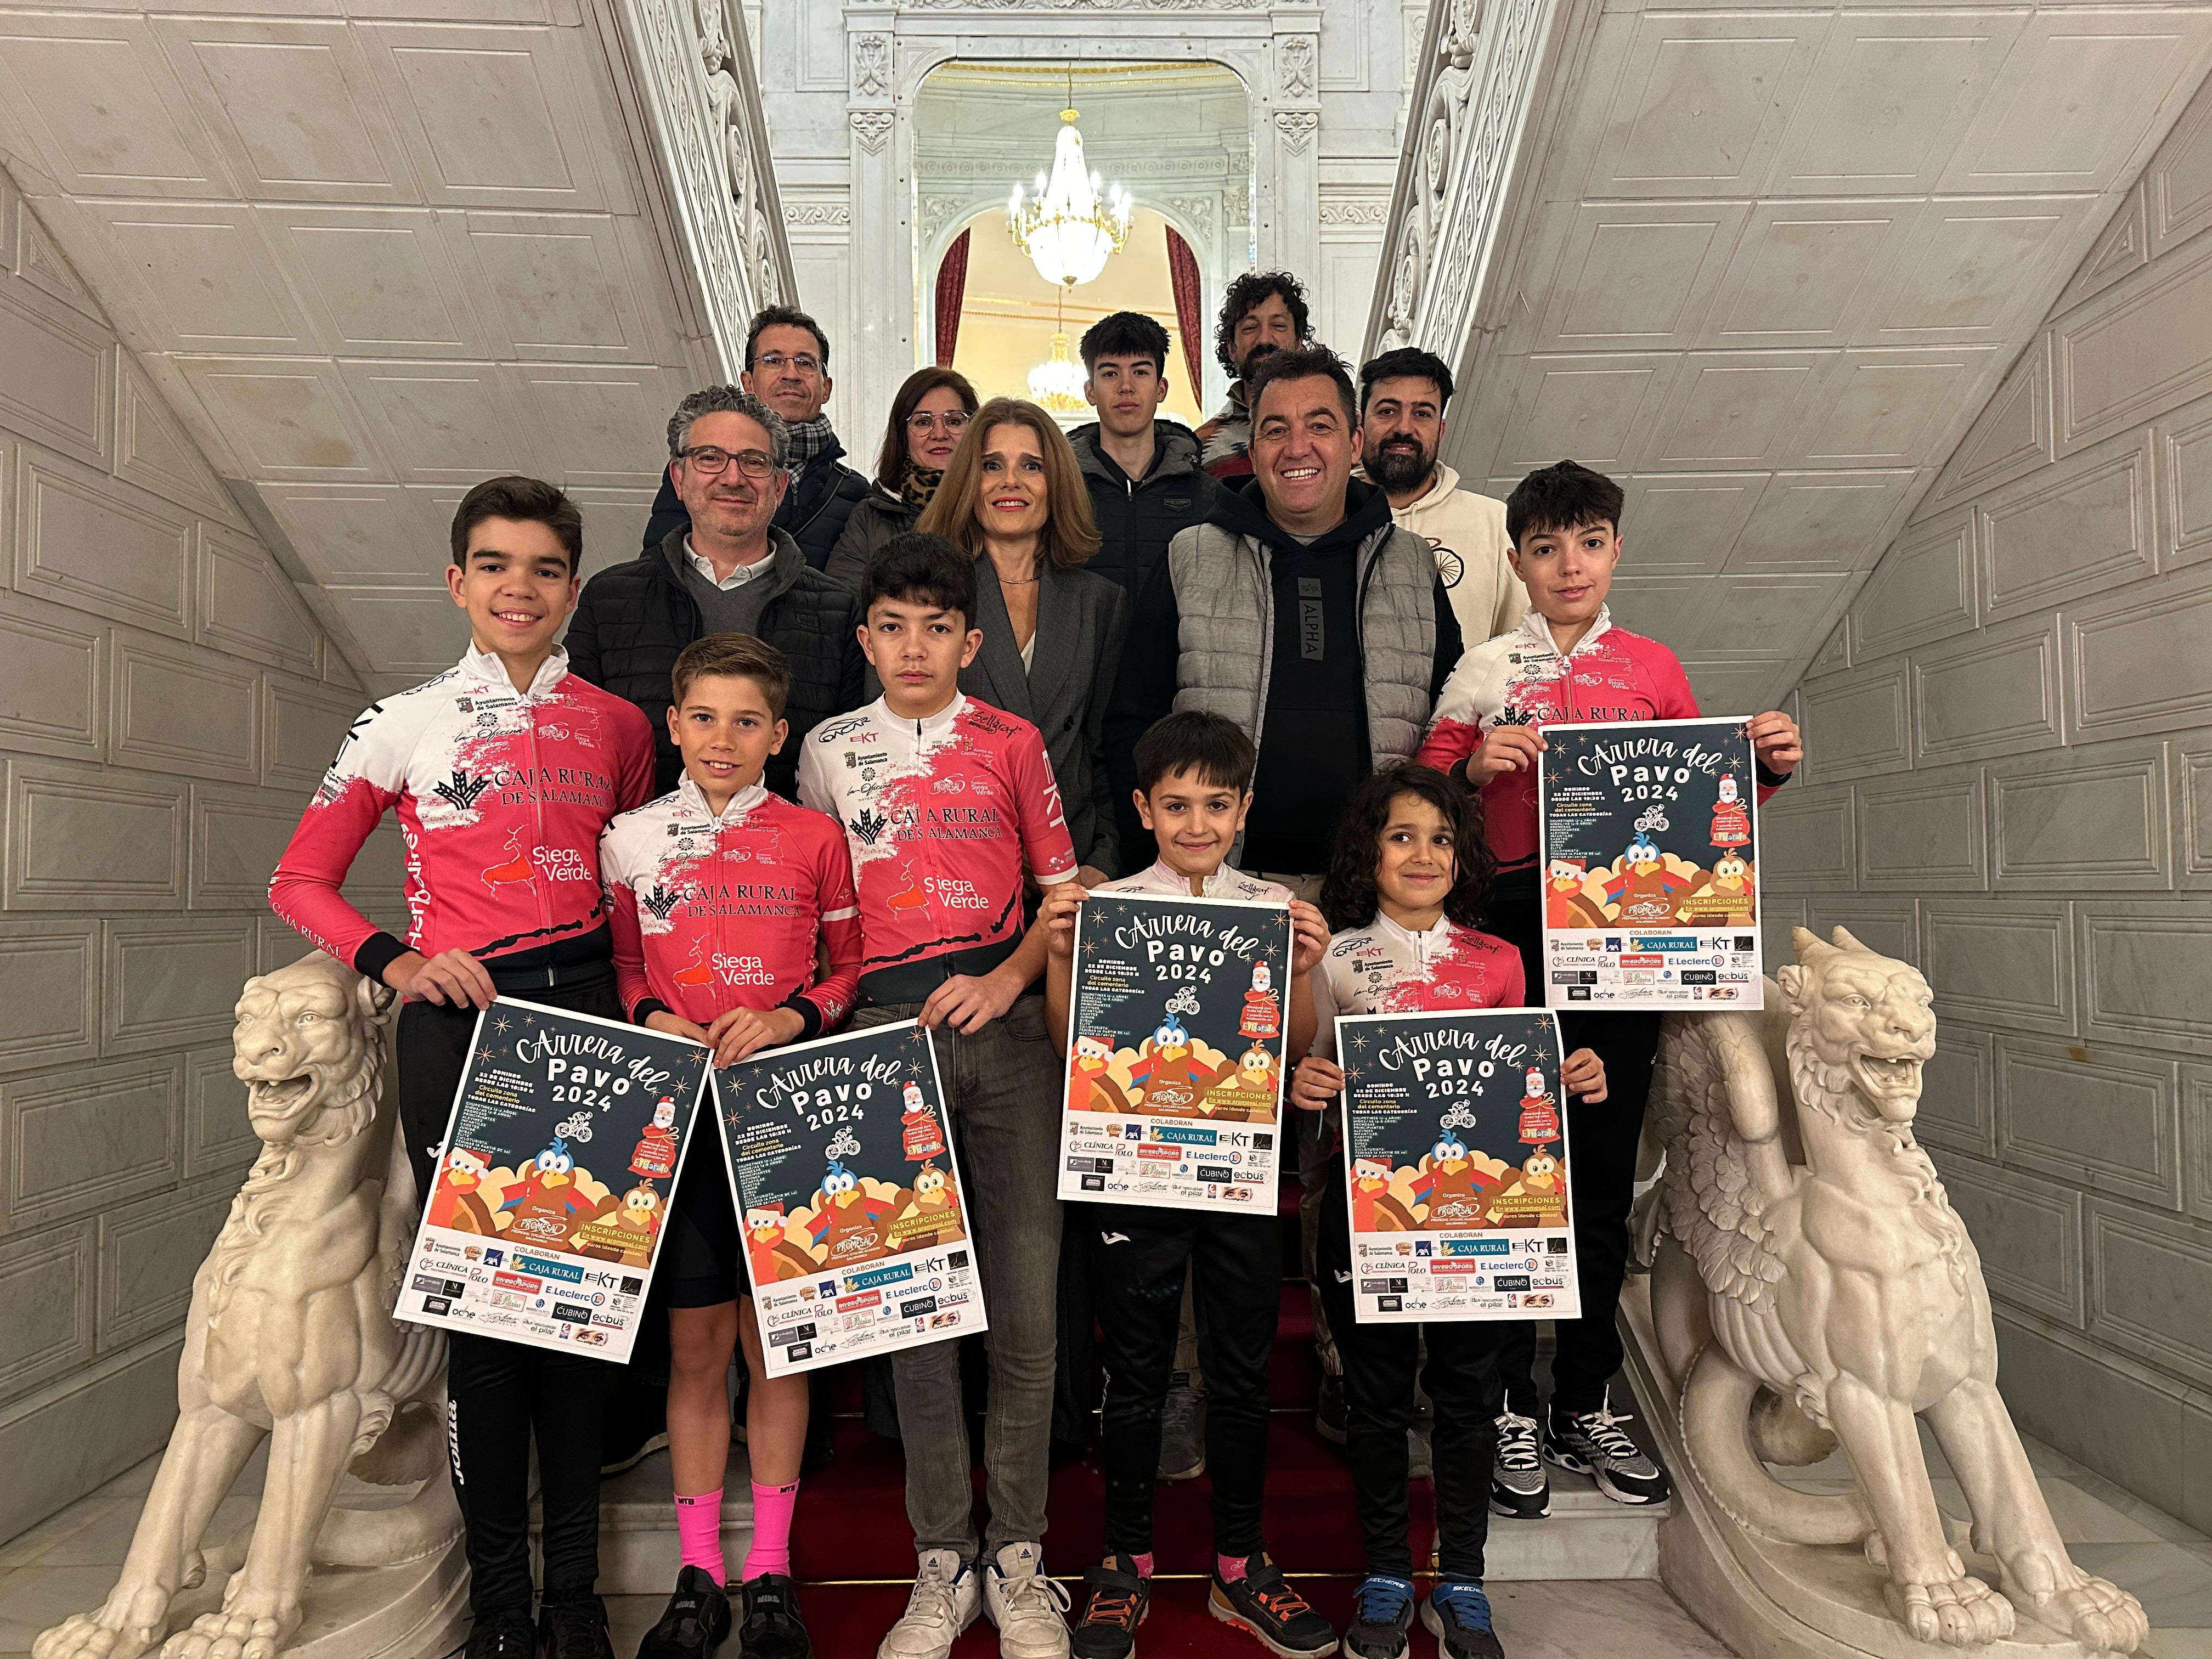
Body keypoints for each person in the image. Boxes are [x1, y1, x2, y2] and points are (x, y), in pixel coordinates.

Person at [268, 477, 656, 1659]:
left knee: (586, 1320)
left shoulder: (624, 726)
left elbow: (640, 890)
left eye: (543, 569)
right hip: (464, 1033)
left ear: (573, 589)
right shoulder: (398, 720)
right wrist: (396, 960)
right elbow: (298, 884)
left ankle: (575, 1603)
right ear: (458, 582)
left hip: (593, 1026)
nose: (519, 589)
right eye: (495, 566)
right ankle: (500, 1611)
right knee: (491, 1334)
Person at [1415, 458, 1803, 1521]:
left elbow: (1697, 793)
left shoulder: (1653, 667)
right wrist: (1471, 766)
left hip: (1623, 947)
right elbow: (1417, 799)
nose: (1568, 563)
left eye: (1588, 542)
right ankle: (1502, 1408)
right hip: (1502, 933)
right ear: (1517, 560)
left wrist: (1762, 763)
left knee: (1593, 1181)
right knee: (1504, 1171)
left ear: (1615, 551)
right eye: (1546, 547)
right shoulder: (1484, 670)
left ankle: (1581, 1399)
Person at [1108, 344, 1465, 1428]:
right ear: (1246, 444)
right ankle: (1178, 1386)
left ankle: (1360, 1375)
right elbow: (1131, 723)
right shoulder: (1187, 558)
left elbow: (1446, 725)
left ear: (1355, 441)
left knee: (1363, 1142)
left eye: (1320, 425)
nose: (1297, 447)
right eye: (1274, 427)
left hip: (1367, 906)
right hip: (1222, 898)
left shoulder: (1411, 565)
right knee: (1193, 1143)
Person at [797, 535, 1080, 1659]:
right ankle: (941, 1560)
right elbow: (820, 916)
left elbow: (1064, 899)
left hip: (1007, 1031)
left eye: (938, 628)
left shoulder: (1013, 742)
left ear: (970, 640)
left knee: (1026, 1305)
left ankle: (1019, 1554)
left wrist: (1004, 979)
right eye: (893, 628)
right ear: (865, 640)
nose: (916, 648)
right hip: (875, 1038)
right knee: (914, 1313)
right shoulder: (825, 751)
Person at [1284, 766, 1609, 1659]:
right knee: (1378, 1400)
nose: (1421, 852)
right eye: (1400, 834)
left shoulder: (1499, 960)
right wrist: (1305, 1083)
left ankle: (1461, 1576)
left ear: (1462, 855)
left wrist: (1572, 1072)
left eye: (1440, 837)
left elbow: (1526, 1081)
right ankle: (1388, 1571)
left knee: (1469, 1399)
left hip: (1481, 1223)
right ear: (1368, 851)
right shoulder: (1340, 958)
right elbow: (1305, 1071)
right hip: (1370, 1216)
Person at [1040, 711, 1338, 1659]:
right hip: (1133, 1173)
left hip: (1240, 1175)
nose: (1197, 821)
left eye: (1216, 803)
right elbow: (1065, 1045)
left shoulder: (1272, 908)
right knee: (1135, 1373)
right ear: (1143, 807)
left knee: (1241, 1374)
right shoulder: (1110, 905)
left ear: (1244, 806)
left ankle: (1240, 1562)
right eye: (1176, 804)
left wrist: (1313, 971)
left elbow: (1295, 1049)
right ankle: (1124, 1559)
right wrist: (1056, 955)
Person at [601, 635, 863, 1659]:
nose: (723, 737)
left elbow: (852, 968)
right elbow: (624, 966)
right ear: (672, 725)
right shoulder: (628, 837)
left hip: (787, 1113)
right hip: (683, 1120)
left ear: (779, 735)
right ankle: (699, 1569)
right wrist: (654, 1013)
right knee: (698, 1349)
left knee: (777, 1341)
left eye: (746, 720)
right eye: (703, 717)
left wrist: (795, 1015)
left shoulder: (813, 837)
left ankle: (771, 1574)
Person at [568, 386, 862, 800]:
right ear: (678, 478)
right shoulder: (609, 600)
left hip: (786, 854)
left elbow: (850, 763)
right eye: (710, 458)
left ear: (779, 487)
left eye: (754, 462)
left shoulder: (839, 612)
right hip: (635, 856)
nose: (733, 477)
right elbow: (576, 748)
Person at [916, 396, 1127, 885]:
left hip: (1074, 875)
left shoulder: (1100, 602)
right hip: (951, 871)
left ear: (1056, 483)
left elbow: (1105, 753)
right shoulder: (922, 594)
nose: (1011, 481)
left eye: (1031, 465)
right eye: (992, 466)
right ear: (969, 482)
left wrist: (1104, 860)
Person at [643, 305, 871, 569]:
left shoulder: (855, 493)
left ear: (826, 388)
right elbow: (656, 572)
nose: (791, 374)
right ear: (748, 383)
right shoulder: (702, 469)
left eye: (805, 363)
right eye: (773, 361)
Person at [1356, 348, 1526, 647]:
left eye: (1422, 414)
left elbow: (1521, 646)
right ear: (1360, 425)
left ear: (1441, 430)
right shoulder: (1325, 517)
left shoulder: (1495, 523)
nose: (1404, 428)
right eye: (1387, 411)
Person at [1069, 310, 1218, 597]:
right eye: (1110, 373)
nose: (1126, 387)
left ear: (1161, 388)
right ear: (1090, 391)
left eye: (1140, 372)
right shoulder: (1059, 489)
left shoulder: (1207, 495)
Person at [826, 366, 979, 590]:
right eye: (923, 422)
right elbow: (843, 606)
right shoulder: (871, 517)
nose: (939, 434)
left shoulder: (992, 507)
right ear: (903, 437)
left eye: (954, 421)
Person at [1194, 271, 1314, 479]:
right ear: (1231, 348)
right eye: (1250, 328)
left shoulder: (1334, 427)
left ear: (1299, 342)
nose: (1264, 338)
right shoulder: (1201, 447)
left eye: (1278, 325)